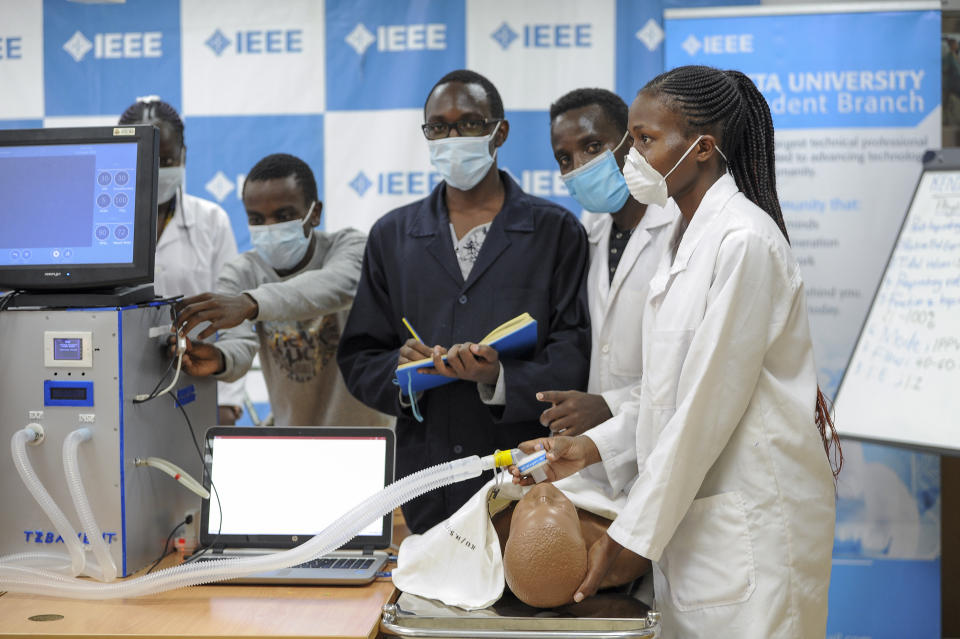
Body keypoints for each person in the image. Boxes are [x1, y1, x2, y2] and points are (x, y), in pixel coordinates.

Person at [512, 65, 841, 638]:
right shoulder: (680, 239)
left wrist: (629, 534)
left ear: (704, 147)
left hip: (753, 523)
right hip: (701, 528)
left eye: (644, 140)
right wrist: (589, 446)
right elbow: (671, 394)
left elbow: (704, 409)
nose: (630, 157)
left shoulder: (743, 241)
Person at [337, 69, 591, 534]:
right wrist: (404, 371)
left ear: (500, 132)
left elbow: (574, 355)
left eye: (470, 124)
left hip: (527, 477)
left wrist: (497, 377)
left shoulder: (556, 231)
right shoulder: (393, 235)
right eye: (439, 127)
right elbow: (358, 357)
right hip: (424, 482)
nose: (453, 137)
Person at [173, 153, 390, 428]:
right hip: (292, 440)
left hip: (369, 438)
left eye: (284, 216)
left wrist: (250, 303)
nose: (270, 228)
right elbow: (238, 344)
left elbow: (337, 285)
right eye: (257, 219)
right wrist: (219, 359)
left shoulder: (350, 247)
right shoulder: (242, 272)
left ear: (315, 213)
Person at [538, 88, 676, 437]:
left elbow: (692, 361)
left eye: (592, 147)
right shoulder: (589, 232)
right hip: (605, 448)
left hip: (670, 435)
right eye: (564, 159)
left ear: (631, 143)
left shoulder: (681, 228)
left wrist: (610, 405)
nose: (579, 166)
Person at [118, 96, 245, 424]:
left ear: (183, 156)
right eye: (144, 159)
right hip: (119, 385)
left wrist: (228, 403)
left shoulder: (212, 221)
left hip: (196, 386)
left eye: (166, 159)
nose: (156, 170)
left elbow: (234, 317)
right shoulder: (100, 229)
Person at [393, 473, 649, 611]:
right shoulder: (624, 550)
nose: (542, 494)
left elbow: (432, 555)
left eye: (528, 507)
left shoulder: (497, 527)